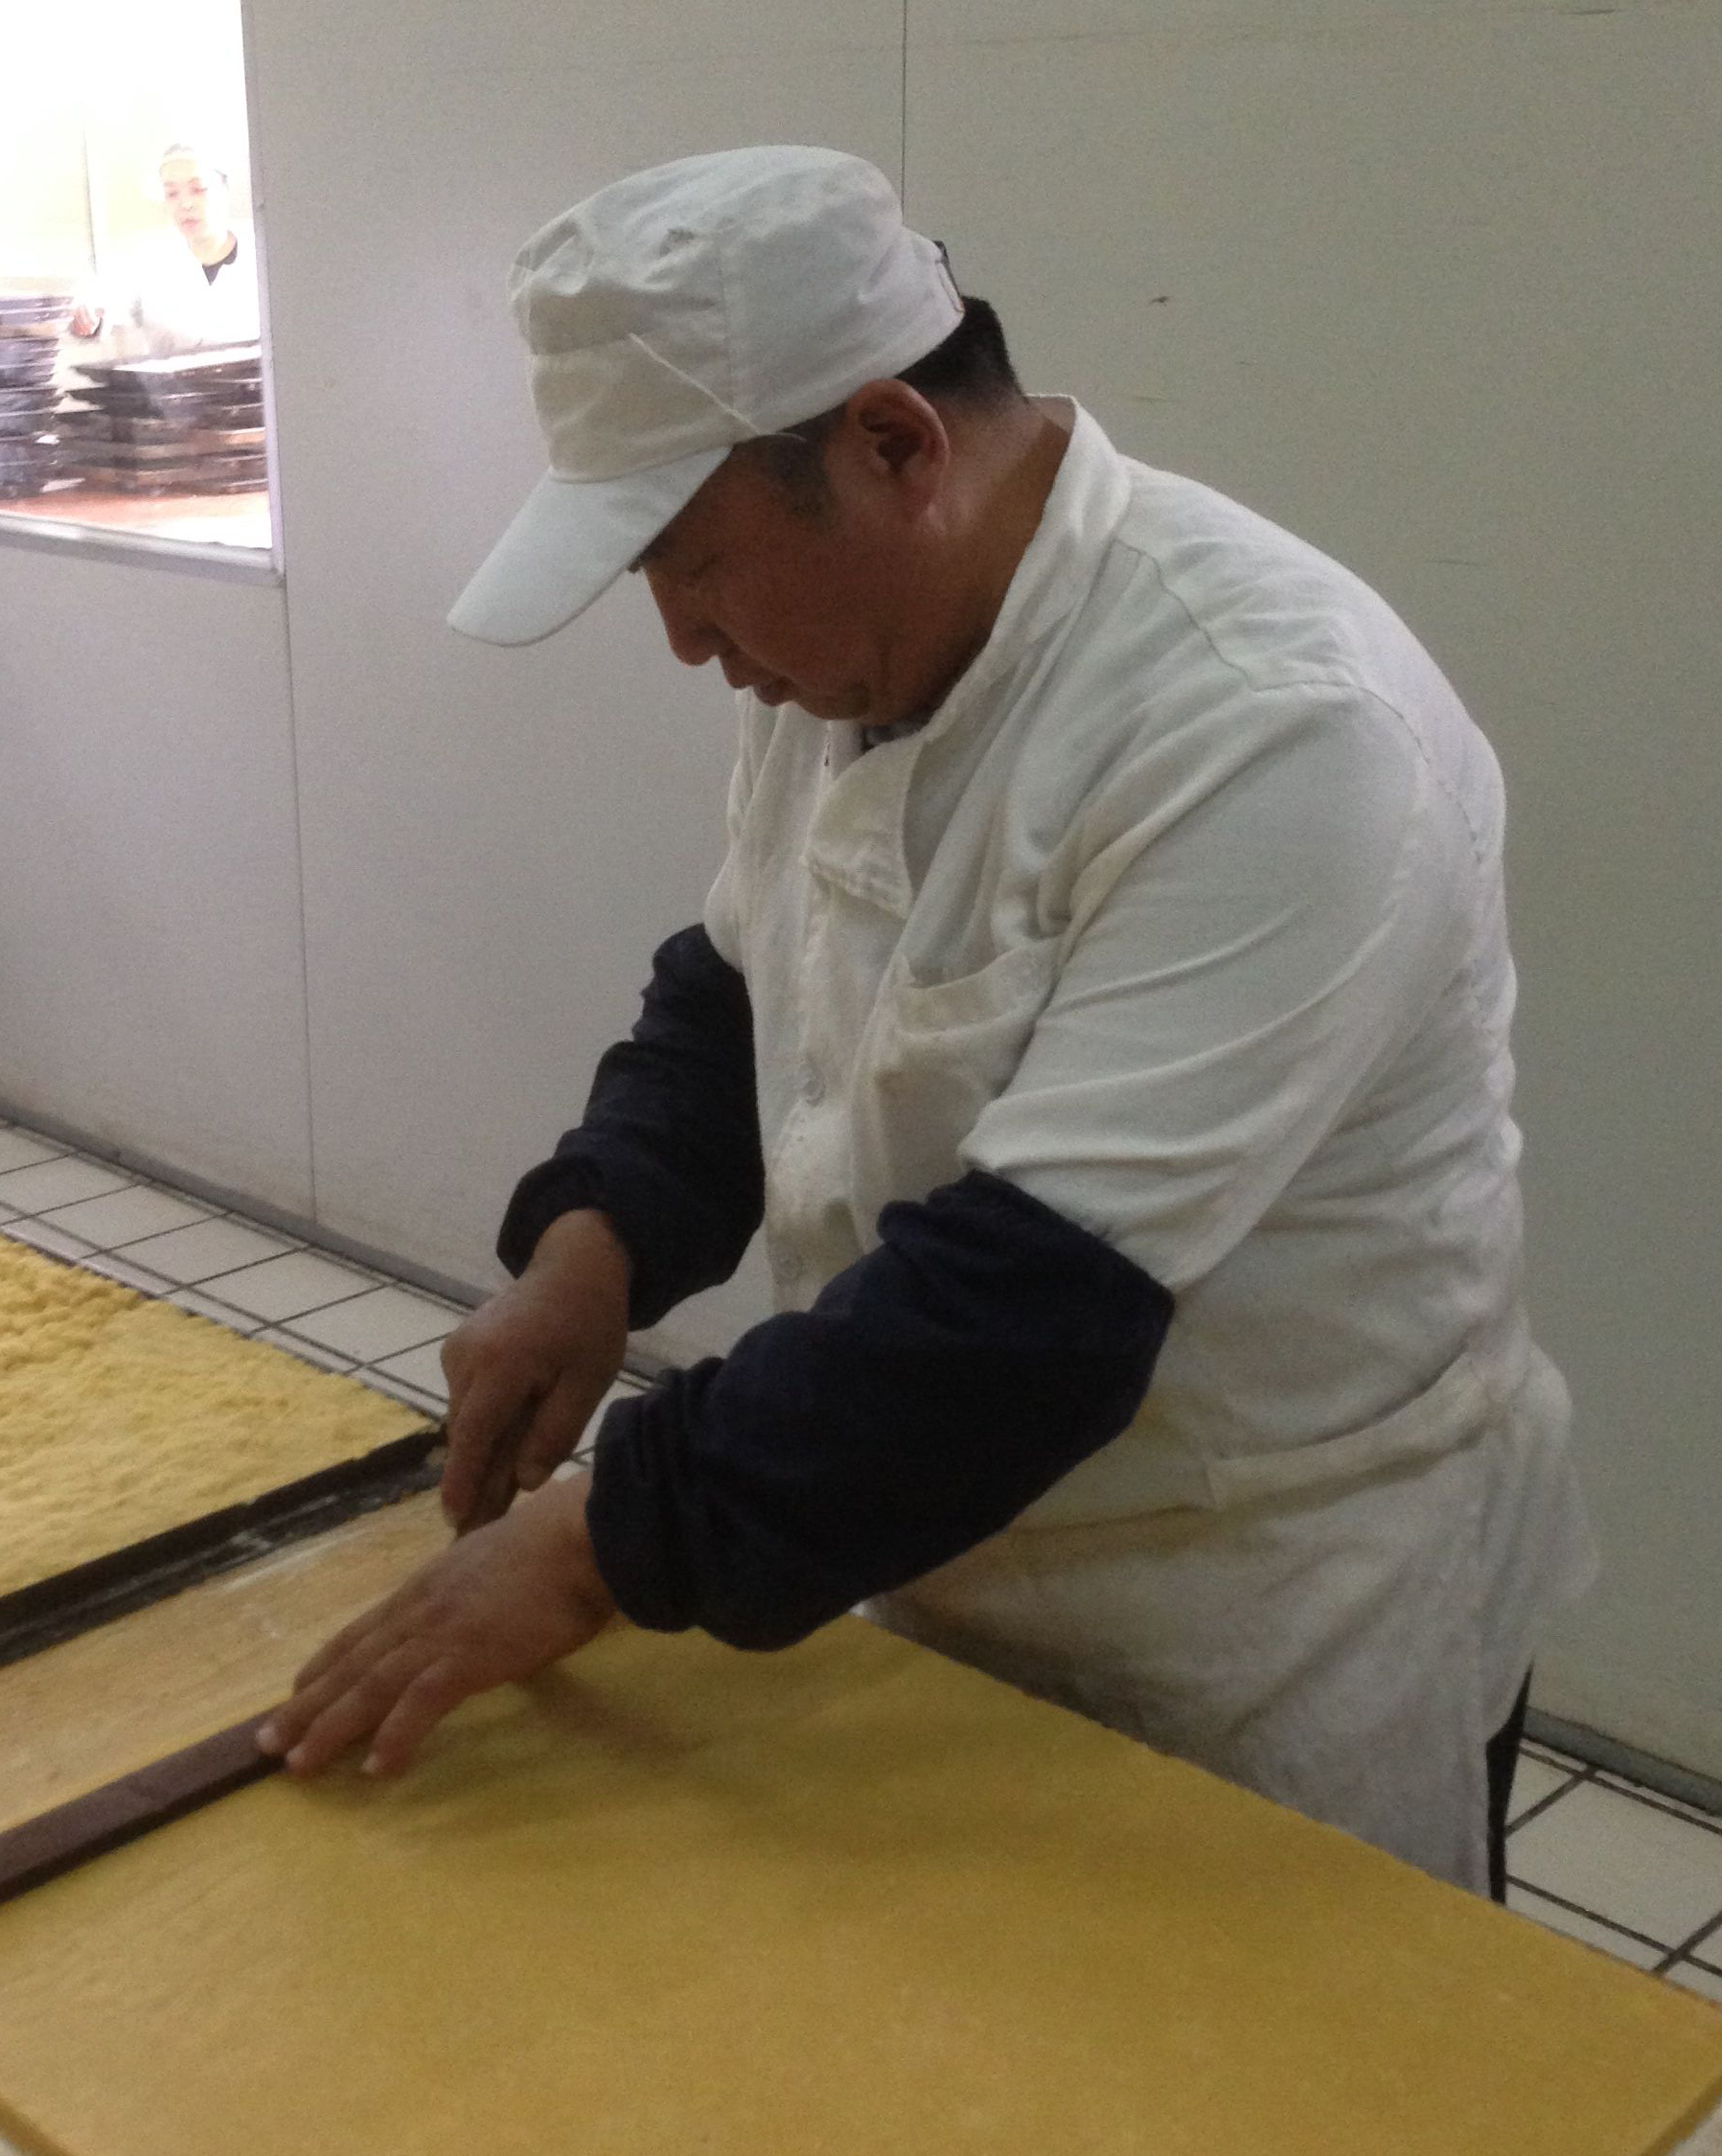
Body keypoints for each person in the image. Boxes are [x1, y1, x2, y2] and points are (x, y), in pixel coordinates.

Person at [256, 146, 1596, 1896]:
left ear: (892, 444)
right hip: (943, 1526)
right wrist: (595, 1247)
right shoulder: (857, 649)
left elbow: (1027, 1313)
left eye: (694, 566)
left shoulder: (1274, 727)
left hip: (1256, 1597)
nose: (683, 642)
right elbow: (741, 984)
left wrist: (599, 1545)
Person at [67, 141, 260, 358]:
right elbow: (105, 298)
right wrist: (89, 314)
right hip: (173, 380)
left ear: (225, 190)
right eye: (172, 193)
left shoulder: (262, 255)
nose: (185, 204)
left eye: (198, 189)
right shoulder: (151, 261)